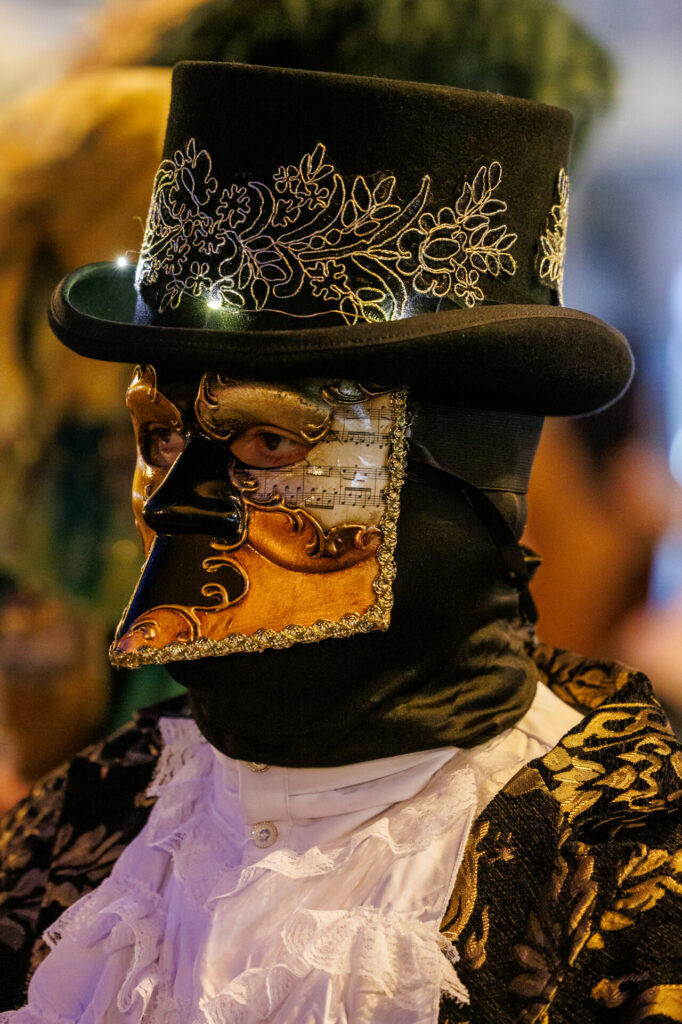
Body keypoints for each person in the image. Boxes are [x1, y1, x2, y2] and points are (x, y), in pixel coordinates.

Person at [1, 61, 680, 1022]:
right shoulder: (78, 827)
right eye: (163, 438)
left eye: (269, 441)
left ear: (457, 470)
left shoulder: (619, 871)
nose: (178, 501)